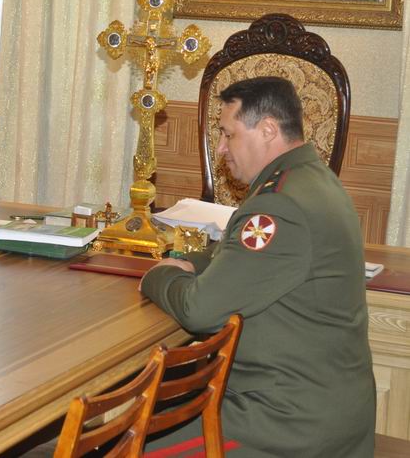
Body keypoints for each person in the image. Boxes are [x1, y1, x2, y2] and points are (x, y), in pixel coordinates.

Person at [139, 77, 375, 457]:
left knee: (128, 445)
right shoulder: (314, 181)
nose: (220, 148)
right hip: (324, 406)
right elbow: (231, 255)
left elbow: (199, 310)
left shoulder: (280, 205)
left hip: (284, 422)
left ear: (267, 129)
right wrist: (190, 263)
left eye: (228, 134)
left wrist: (159, 274)